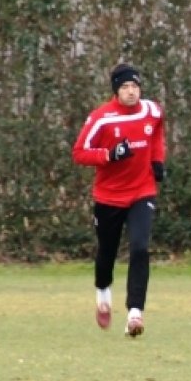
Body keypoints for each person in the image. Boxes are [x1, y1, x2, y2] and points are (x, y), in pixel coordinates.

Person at [72, 63, 166, 338]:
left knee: (140, 248)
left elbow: (158, 131)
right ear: (116, 90)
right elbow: (79, 153)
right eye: (125, 87)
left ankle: (135, 313)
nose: (131, 91)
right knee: (107, 252)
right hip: (109, 196)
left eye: (135, 86)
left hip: (142, 192)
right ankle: (103, 292)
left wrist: (157, 160)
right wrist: (110, 155)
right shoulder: (102, 118)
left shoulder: (152, 110)